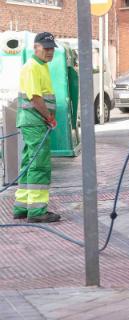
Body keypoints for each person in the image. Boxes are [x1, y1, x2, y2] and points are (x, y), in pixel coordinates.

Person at [13, 32, 60, 223]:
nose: (49, 52)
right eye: (46, 48)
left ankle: (22, 207)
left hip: (33, 121)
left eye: (51, 48)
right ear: (36, 48)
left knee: (29, 163)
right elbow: (35, 97)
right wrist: (49, 117)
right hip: (35, 121)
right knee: (39, 164)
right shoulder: (32, 67)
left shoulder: (41, 66)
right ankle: (37, 211)